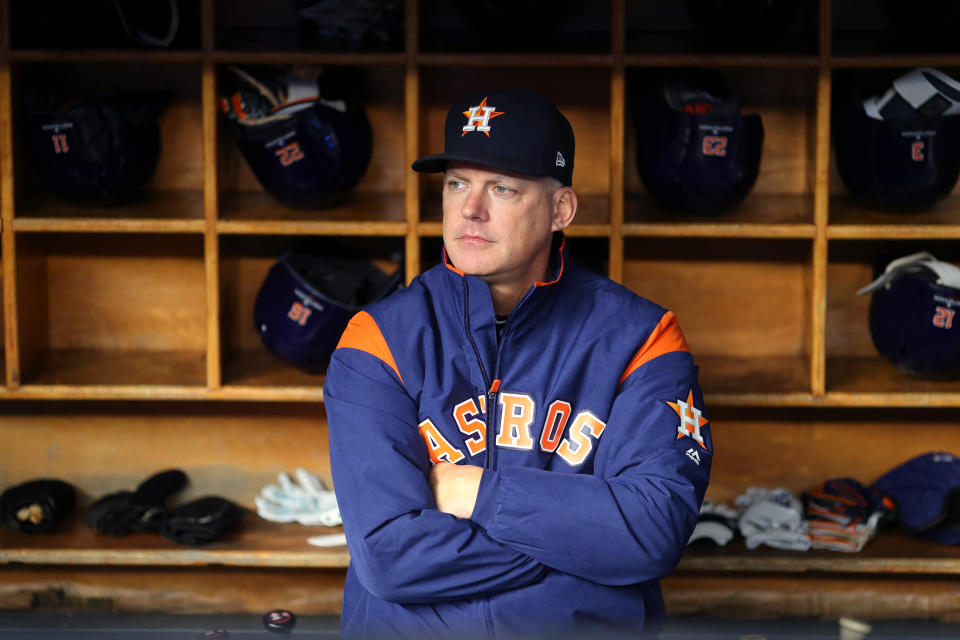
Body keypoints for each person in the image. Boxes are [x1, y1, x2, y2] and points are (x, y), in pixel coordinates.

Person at [324, 88, 713, 639]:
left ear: (561, 210)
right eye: (457, 183)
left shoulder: (642, 339)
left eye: (501, 188)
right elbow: (389, 555)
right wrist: (583, 545)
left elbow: (654, 530)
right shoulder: (377, 339)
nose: (469, 209)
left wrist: (474, 493)